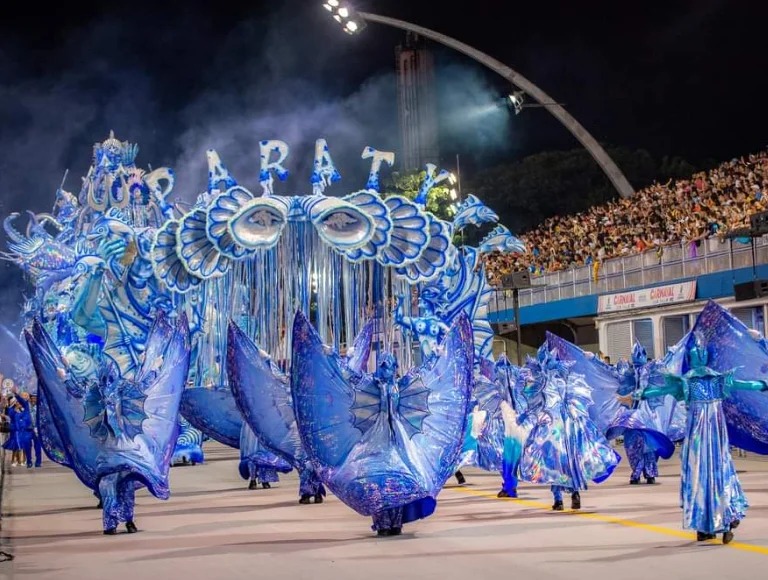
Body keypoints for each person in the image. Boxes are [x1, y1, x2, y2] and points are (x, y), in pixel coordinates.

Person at [633, 337, 768, 544]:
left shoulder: (701, 380)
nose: (699, 355)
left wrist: (639, 394)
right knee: (711, 472)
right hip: (708, 435)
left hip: (703, 434)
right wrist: (763, 384)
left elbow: (661, 391)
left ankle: (710, 524)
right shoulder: (706, 380)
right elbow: (748, 385)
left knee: (703, 474)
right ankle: (714, 522)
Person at [2, 394, 32, 467]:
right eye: (17, 403)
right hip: (16, 431)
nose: (19, 404)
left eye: (20, 403)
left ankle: (23, 460)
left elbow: (27, 419)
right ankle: (14, 461)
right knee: (16, 446)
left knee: (24, 446)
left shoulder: (24, 410)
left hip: (24, 431)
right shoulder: (12, 411)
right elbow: (11, 416)